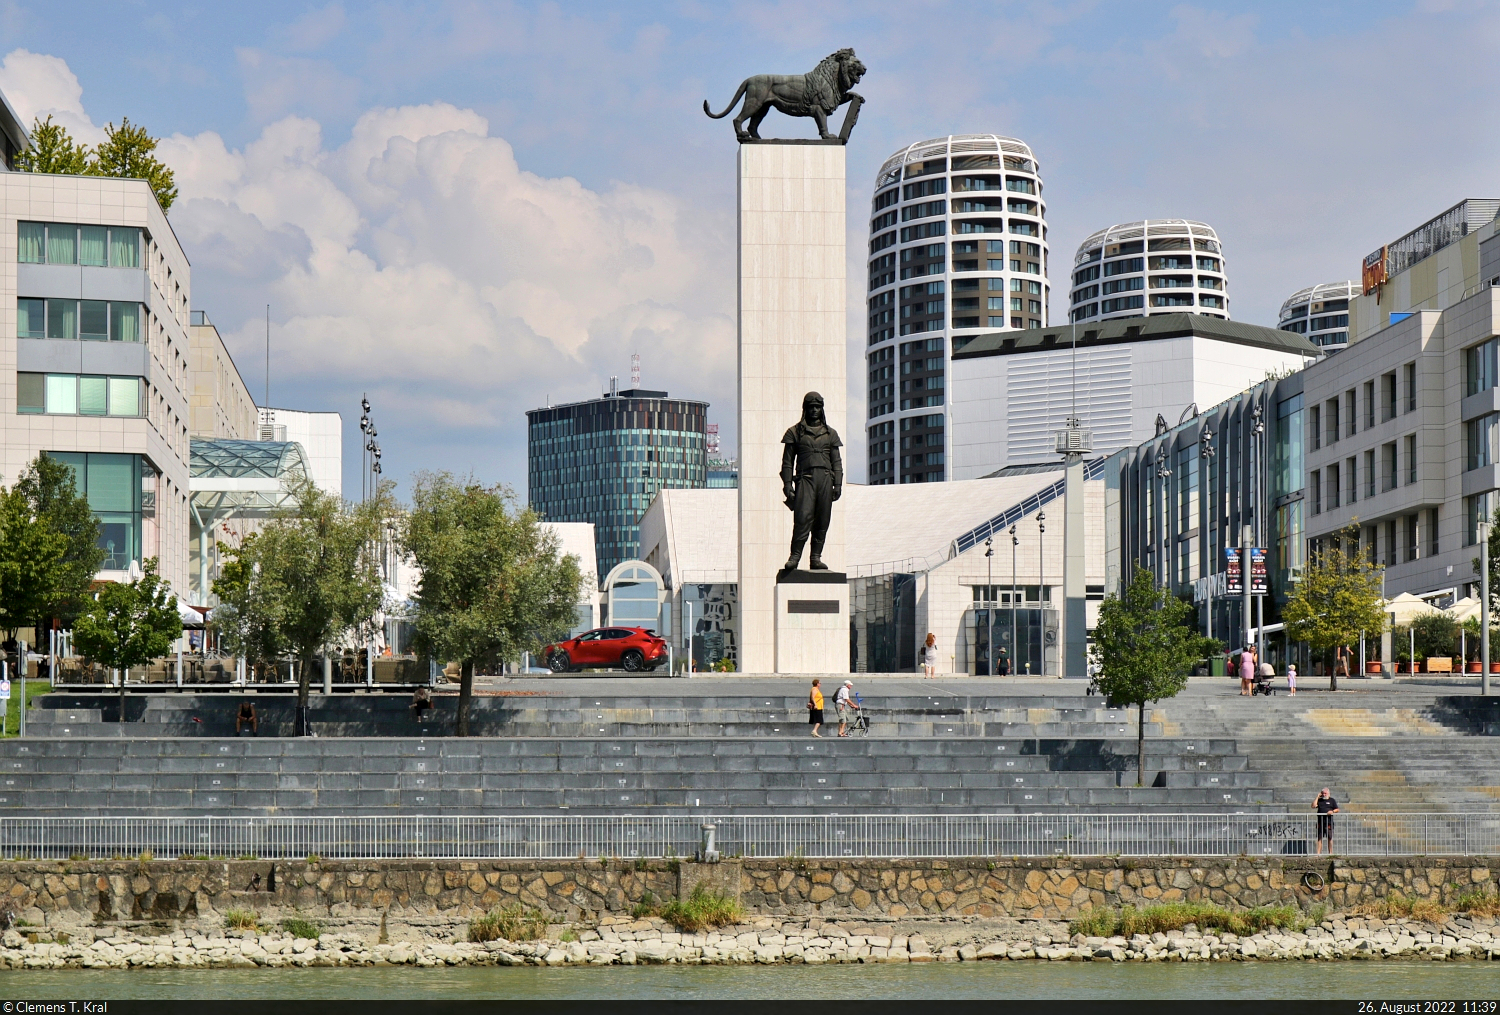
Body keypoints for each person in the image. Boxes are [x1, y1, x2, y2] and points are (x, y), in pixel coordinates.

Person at [1313, 787, 1339, 853]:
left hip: (1328, 821)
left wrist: (1332, 811)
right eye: (1323, 793)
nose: (1324, 794)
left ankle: (1330, 853)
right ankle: (1318, 853)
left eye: (1325, 793)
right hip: (1320, 821)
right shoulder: (1320, 800)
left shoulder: (1332, 800)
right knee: (1319, 838)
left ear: (1328, 793)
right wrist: (1317, 797)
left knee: (1330, 838)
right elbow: (1313, 806)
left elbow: (1337, 809)